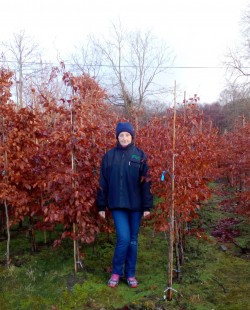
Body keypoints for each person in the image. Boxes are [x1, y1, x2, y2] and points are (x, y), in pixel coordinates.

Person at [97, 121, 153, 288]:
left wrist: (147, 206)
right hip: (117, 204)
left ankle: (130, 274)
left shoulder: (140, 156)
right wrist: (101, 206)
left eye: (127, 135)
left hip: (135, 206)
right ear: (117, 137)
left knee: (133, 240)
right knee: (124, 238)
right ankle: (116, 272)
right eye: (121, 135)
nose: (124, 138)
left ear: (132, 136)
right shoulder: (109, 157)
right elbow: (103, 182)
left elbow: (147, 183)